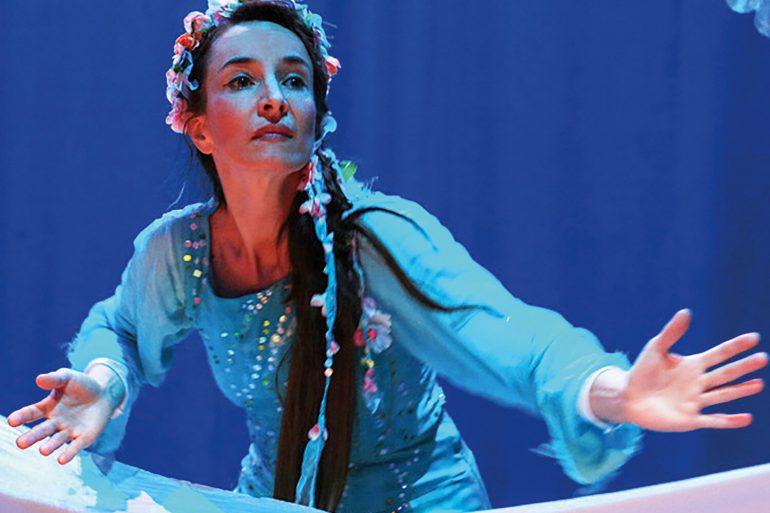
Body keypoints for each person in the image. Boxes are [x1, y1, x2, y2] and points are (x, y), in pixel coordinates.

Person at [7, 1, 768, 512]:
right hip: (281, 499)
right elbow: (121, 328)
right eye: (242, 81)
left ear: (316, 115)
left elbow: (509, 334)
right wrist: (103, 380)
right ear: (199, 125)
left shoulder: (373, 236)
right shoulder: (182, 253)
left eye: (293, 79)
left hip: (422, 500)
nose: (273, 98)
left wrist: (612, 389)